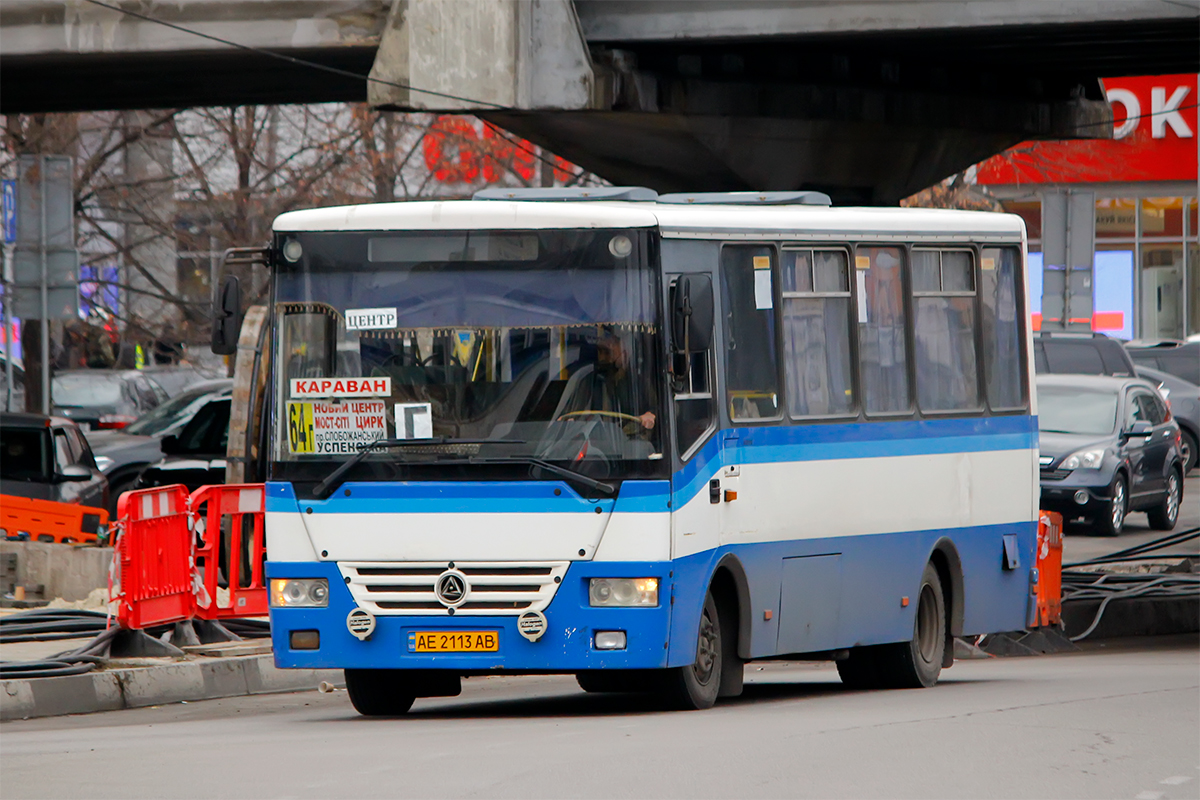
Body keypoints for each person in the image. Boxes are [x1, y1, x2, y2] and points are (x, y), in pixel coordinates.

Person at [579, 327, 657, 432]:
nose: (601, 358)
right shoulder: (591, 380)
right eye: (599, 352)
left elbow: (659, 409)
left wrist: (650, 416)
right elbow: (579, 411)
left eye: (607, 352)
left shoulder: (639, 381)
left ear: (625, 351)